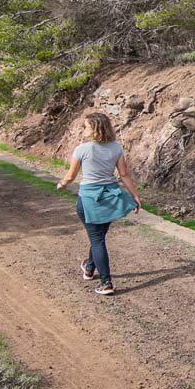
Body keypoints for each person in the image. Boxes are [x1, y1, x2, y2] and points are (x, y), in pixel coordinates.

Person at [54, 111, 140, 296]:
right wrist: (135, 195)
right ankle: (89, 266)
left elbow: (71, 175)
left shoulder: (82, 149)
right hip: (110, 198)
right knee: (98, 237)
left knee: (97, 239)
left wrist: (61, 184)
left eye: (86, 126)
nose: (83, 129)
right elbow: (123, 174)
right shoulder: (116, 148)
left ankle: (106, 282)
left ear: (94, 129)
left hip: (88, 199)